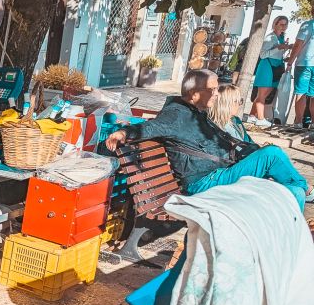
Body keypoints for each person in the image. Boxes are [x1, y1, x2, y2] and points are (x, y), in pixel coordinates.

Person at [105, 69, 311, 211]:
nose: (216, 94)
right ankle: (306, 188)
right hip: (205, 182)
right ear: (194, 94)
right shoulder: (177, 114)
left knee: (294, 193)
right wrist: (124, 133)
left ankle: (289, 240)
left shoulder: (197, 112)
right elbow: (151, 127)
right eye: (211, 90)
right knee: (272, 155)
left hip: (221, 173)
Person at [245, 15, 290, 128]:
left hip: (276, 67)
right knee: (262, 94)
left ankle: (252, 116)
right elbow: (263, 54)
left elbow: (277, 54)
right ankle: (260, 119)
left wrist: (285, 56)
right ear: (275, 24)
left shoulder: (281, 37)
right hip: (266, 67)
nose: (283, 27)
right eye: (281, 24)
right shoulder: (270, 37)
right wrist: (278, 48)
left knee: (265, 94)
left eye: (285, 24)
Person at [287, 0, 314, 128]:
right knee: (313, 95)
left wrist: (290, 61)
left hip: (304, 63)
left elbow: (298, 44)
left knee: (301, 93)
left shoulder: (307, 25)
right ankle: (313, 123)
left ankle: (298, 122)